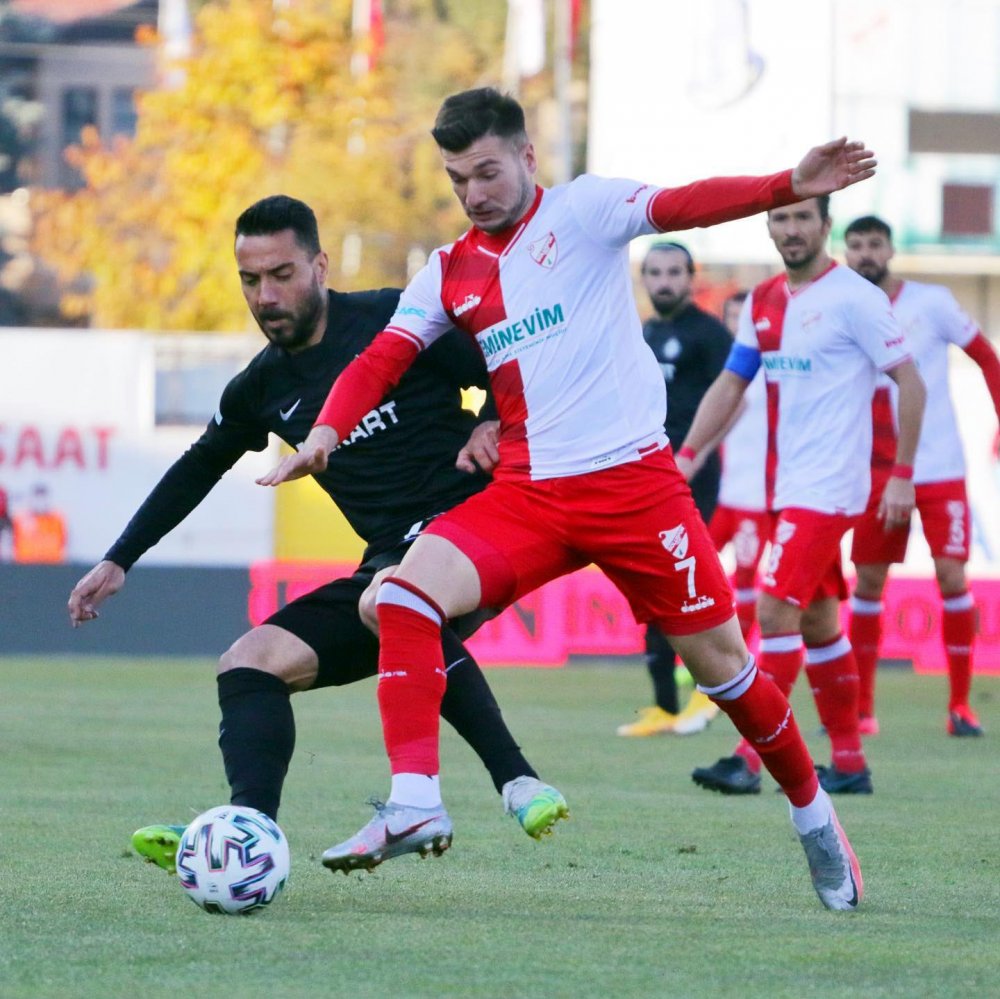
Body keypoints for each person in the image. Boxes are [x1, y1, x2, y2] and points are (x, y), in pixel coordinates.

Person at [261, 87, 881, 911]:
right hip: (527, 494)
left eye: (486, 172)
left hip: (636, 489)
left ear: (525, 156)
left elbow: (687, 205)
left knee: (728, 672)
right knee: (400, 594)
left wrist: (785, 185)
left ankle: (814, 817)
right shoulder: (447, 271)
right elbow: (380, 359)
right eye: (457, 180)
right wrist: (328, 430)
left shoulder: (585, 211)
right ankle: (415, 798)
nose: (474, 193)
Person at [67, 194, 567, 874]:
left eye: (282, 274)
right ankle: (250, 829)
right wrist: (120, 558)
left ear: (320, 264)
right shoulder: (265, 385)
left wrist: (495, 424)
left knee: (391, 595)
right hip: (389, 558)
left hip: (472, 532)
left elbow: (515, 373)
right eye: (250, 280)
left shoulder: (397, 319)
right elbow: (198, 465)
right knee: (248, 662)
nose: (265, 294)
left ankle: (518, 781)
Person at [682, 196, 926, 800]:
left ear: (824, 225)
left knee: (772, 614)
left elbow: (910, 381)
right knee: (817, 622)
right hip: (789, 485)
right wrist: (687, 455)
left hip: (833, 486)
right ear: (769, 228)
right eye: (780, 219)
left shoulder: (855, 298)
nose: (790, 230)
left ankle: (748, 758)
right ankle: (849, 760)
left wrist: (903, 473)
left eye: (801, 218)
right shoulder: (764, 301)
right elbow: (732, 382)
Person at [843, 214, 1000, 737]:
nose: (866, 253)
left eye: (875, 244)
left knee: (953, 577)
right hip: (873, 471)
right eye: (857, 245)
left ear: (890, 250)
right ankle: (862, 711)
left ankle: (961, 706)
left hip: (939, 467)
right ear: (846, 253)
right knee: (868, 580)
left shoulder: (931, 302)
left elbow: (986, 358)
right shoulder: (842, 307)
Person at [616, 241, 731, 738]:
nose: (663, 282)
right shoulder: (647, 331)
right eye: (654, 273)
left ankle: (710, 694)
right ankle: (664, 704)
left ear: (691, 276)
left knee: (689, 581)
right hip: (649, 471)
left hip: (691, 474)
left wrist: (698, 453)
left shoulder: (709, 334)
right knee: (654, 580)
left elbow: (737, 396)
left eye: (673, 272)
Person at [706, 289, 772, 642]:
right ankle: (696, 657)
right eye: (731, 316)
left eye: (742, 317)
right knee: (697, 571)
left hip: (753, 496)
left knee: (746, 579)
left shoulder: (770, 369)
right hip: (718, 494)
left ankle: (741, 662)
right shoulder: (717, 368)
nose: (736, 324)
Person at [13, 482, 68, 563]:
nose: (40, 500)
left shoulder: (57, 519)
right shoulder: (21, 519)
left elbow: (63, 543)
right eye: (37, 496)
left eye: (42, 496)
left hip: (52, 566)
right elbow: (14, 543)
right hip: (25, 566)